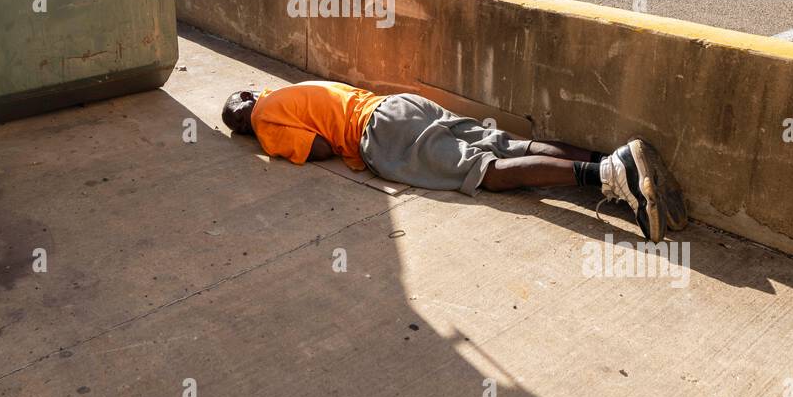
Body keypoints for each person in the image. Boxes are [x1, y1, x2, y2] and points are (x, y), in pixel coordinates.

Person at [222, 81, 686, 242]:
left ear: (245, 112)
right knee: (504, 143)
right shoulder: (281, 93)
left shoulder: (264, 119)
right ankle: (621, 162)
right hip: (399, 105)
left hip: (380, 135)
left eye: (238, 122)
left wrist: (267, 140)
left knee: (482, 172)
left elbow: (318, 150)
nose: (245, 126)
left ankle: (608, 175)